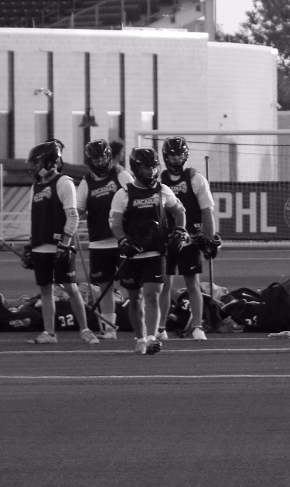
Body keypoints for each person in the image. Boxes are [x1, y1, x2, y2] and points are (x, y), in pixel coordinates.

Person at [110, 147, 187, 355]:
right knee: (134, 298)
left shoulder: (163, 190)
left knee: (152, 295)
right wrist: (123, 241)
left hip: (155, 253)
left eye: (153, 167)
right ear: (136, 167)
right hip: (131, 254)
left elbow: (179, 211)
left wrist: (180, 231)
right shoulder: (123, 194)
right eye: (146, 167)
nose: (150, 171)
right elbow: (115, 225)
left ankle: (152, 338)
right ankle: (140, 338)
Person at [22, 140, 97, 345]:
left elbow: (72, 217)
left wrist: (65, 243)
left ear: (49, 161)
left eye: (37, 162)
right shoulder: (35, 186)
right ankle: (49, 333)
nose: (35, 167)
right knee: (45, 290)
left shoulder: (64, 183)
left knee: (71, 288)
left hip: (59, 246)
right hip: (40, 246)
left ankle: (85, 330)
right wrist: (30, 244)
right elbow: (34, 219)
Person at [157, 137, 218, 340]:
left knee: (192, 282)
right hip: (166, 239)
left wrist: (209, 239)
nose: (175, 159)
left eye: (178, 155)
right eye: (172, 155)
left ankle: (197, 326)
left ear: (185, 156)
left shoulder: (196, 179)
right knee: (164, 284)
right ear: (166, 157)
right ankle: (160, 328)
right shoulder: (159, 180)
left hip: (190, 239)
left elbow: (207, 211)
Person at [80, 139, 135, 338]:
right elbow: (79, 209)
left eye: (103, 157)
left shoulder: (120, 175)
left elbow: (135, 199)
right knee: (105, 287)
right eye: (96, 158)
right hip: (98, 242)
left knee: (133, 286)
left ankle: (142, 327)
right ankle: (110, 329)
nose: (100, 161)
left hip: (123, 241)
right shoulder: (86, 182)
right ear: (90, 160)